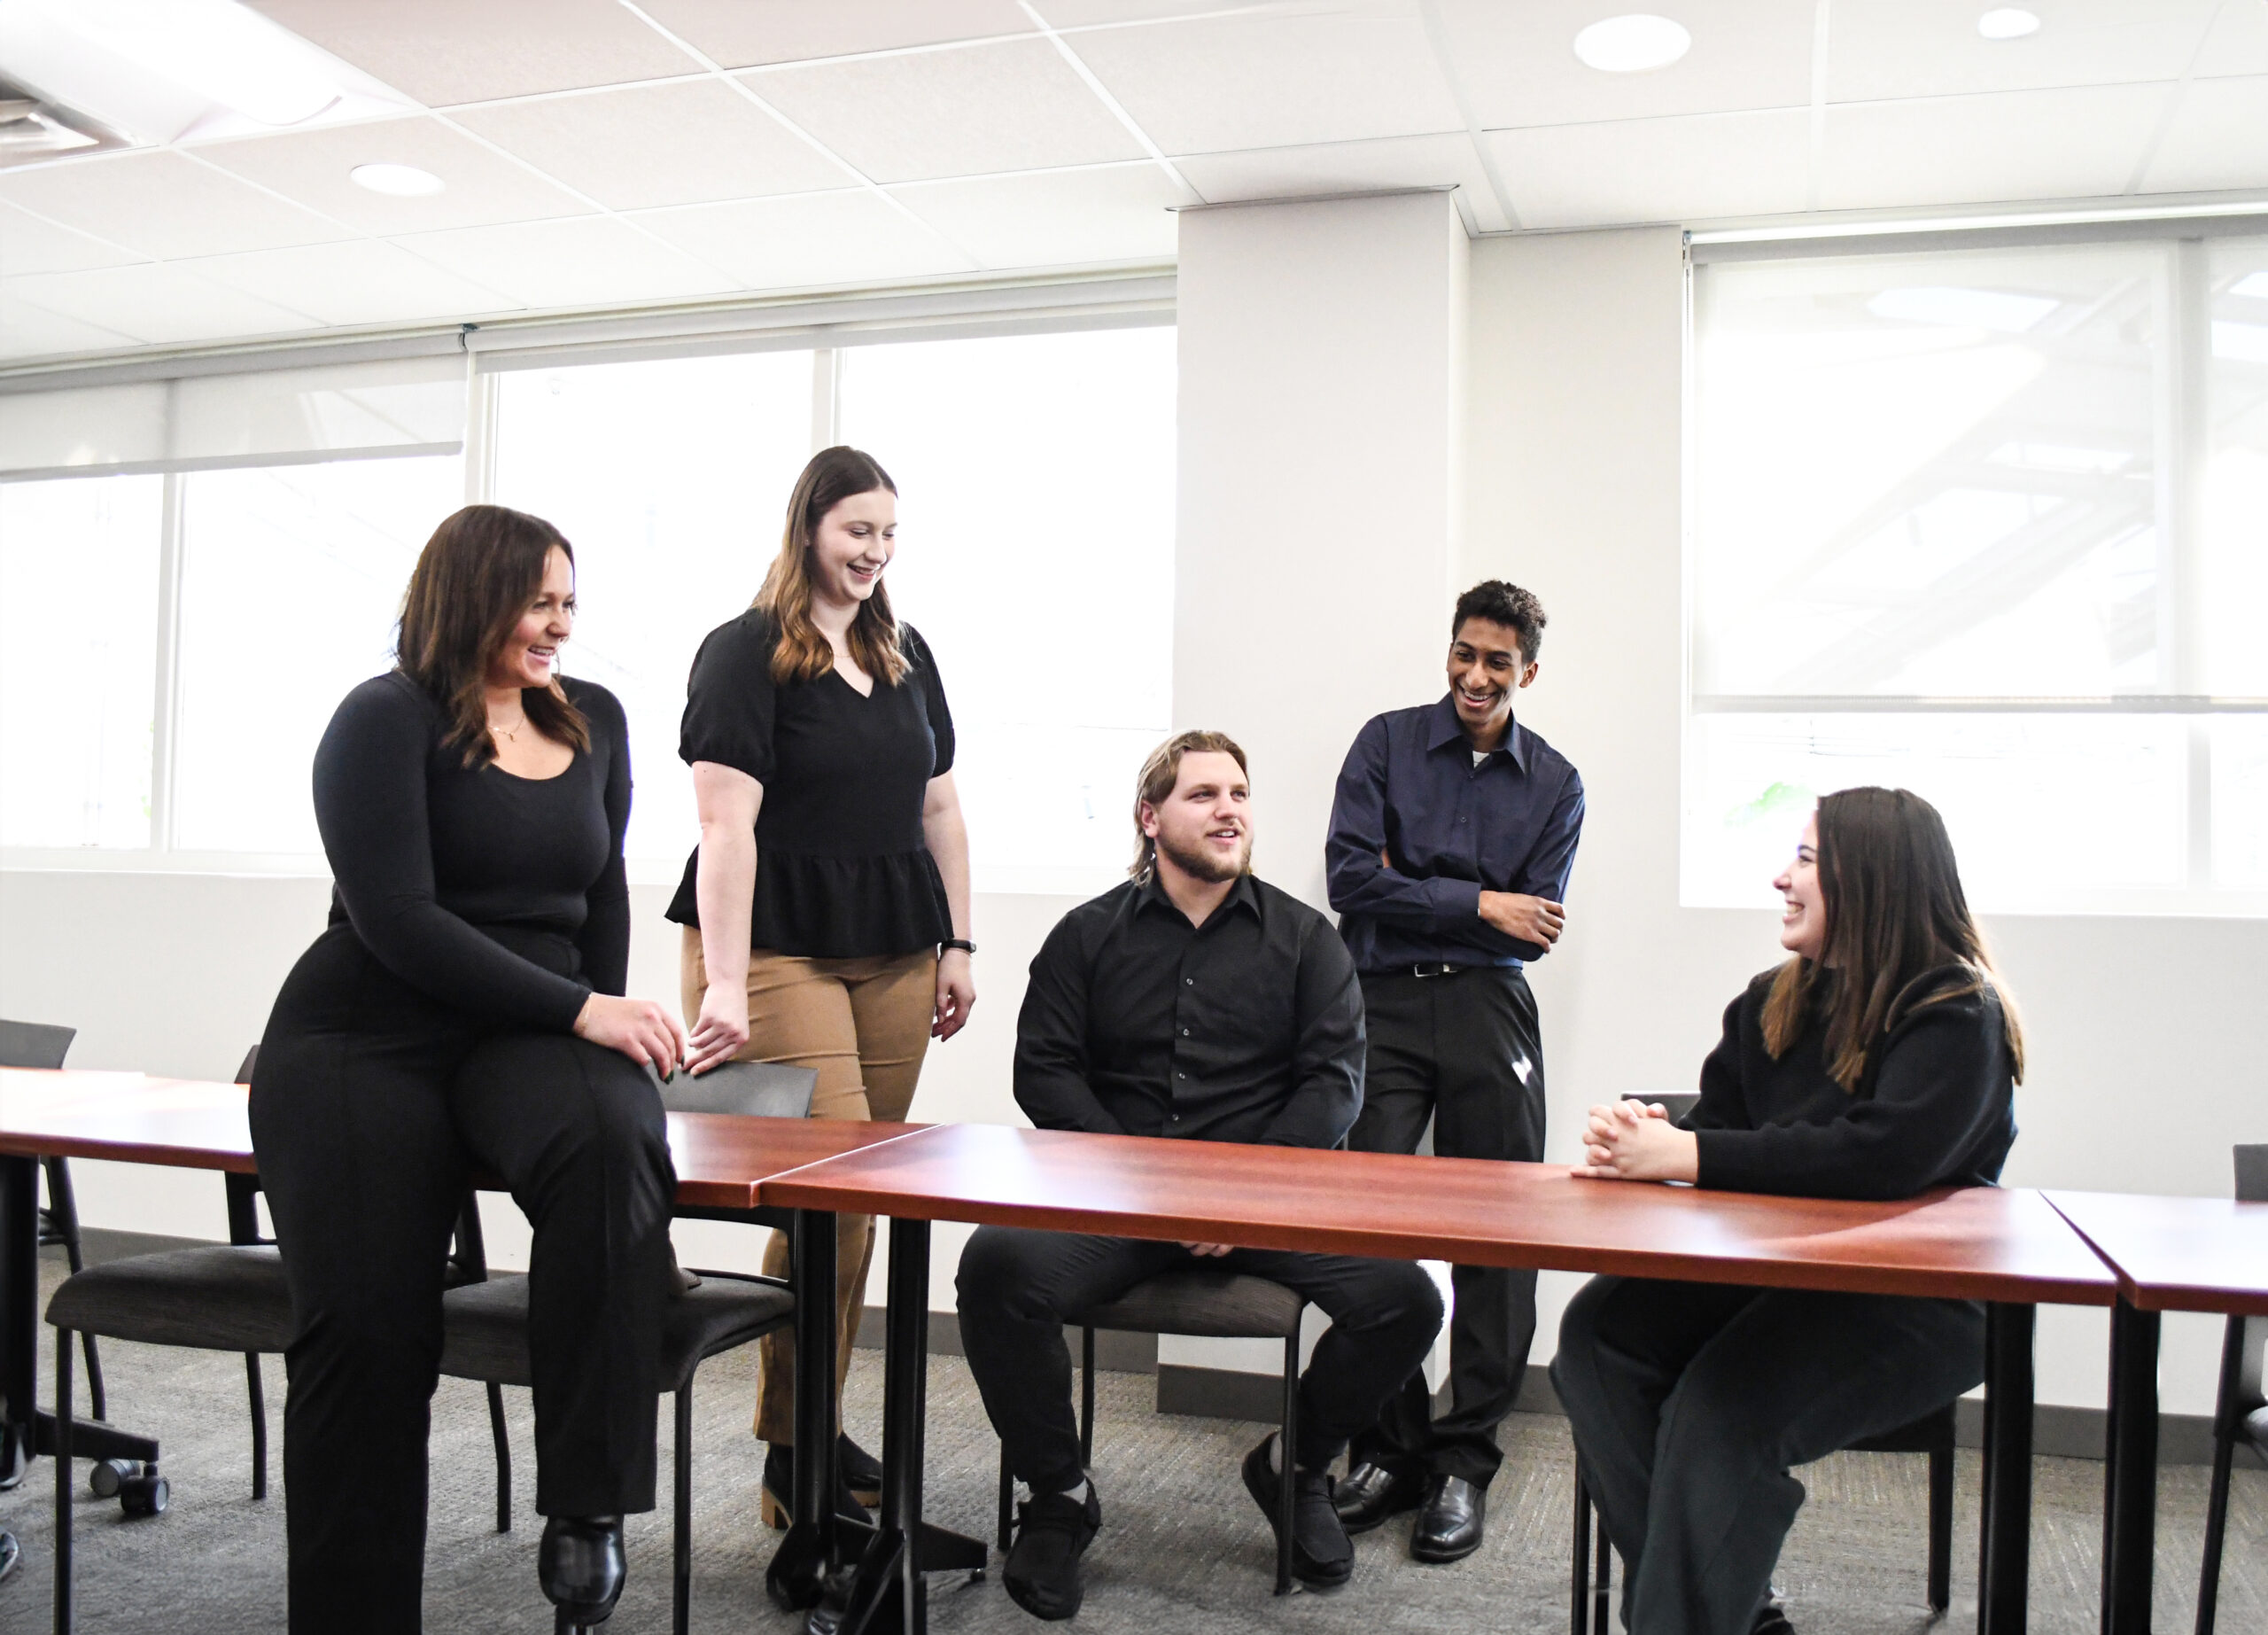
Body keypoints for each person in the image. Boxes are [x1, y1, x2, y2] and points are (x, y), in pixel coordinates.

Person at [249, 505, 686, 1634]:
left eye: (570, 604)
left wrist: (605, 1024)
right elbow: (397, 920)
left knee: (614, 1140)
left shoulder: (594, 720)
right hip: (367, 1030)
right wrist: (585, 1008)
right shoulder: (382, 719)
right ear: (470, 595)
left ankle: (588, 1501)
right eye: (539, 602)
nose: (559, 627)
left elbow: (602, 898)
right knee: (368, 1335)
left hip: (526, 1025)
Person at [958, 731, 1444, 1619]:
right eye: (1203, 795)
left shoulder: (1305, 941)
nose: (1229, 810)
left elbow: (1334, 1085)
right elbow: (1046, 1072)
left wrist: (1237, 1193)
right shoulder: (1085, 936)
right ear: (1151, 818)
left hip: (1263, 1204)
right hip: (1121, 1202)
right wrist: (1147, 1185)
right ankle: (1060, 1495)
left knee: (1406, 1299)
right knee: (996, 1269)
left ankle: (1294, 1468)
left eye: (1239, 794)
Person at [1551, 787, 2024, 1635]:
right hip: (1781, 1275)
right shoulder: (1773, 996)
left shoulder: (1958, 1012)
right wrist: (1655, 1137)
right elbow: (1727, 1135)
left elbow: (1881, 1158)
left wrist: (1689, 1154)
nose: (1781, 878)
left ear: (1871, 879)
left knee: (1722, 1410)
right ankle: (1726, 1615)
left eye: (1806, 860)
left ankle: (1688, 1618)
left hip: (1920, 1298)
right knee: (1597, 1340)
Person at [670, 445, 975, 1524]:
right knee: (834, 1203)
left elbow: (938, 808)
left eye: (888, 535)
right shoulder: (746, 652)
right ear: (809, 527)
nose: (874, 554)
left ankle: (809, 1434)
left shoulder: (905, 652)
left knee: (853, 1204)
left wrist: (961, 942)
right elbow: (724, 826)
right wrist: (723, 982)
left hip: (893, 942)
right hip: (775, 947)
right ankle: (794, 1460)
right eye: (857, 532)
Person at [1324, 580, 1584, 1561]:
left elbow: (1540, 922)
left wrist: (1416, 887)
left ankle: (1465, 1461)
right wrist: (1480, 904)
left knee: (1498, 1231)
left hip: (1487, 1009)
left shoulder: (1556, 782)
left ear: (1528, 672)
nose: (1475, 677)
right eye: (1464, 655)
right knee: (1371, 1224)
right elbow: (1352, 878)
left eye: (1497, 663)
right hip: (1380, 1000)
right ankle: (1388, 1451)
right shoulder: (1384, 743)